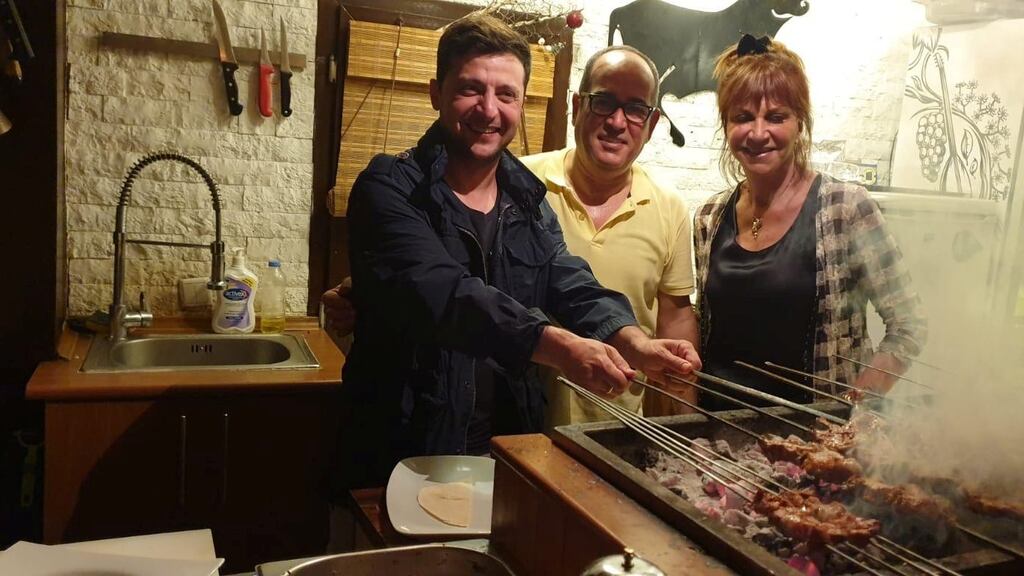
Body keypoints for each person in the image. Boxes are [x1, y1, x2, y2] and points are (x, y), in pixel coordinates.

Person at [330, 13, 701, 489]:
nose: (489, 109)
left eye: (506, 94)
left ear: (522, 103)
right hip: (400, 457)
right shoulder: (389, 186)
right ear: (436, 93)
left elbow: (568, 279)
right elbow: (442, 293)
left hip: (506, 456)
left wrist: (633, 342)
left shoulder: (525, 199)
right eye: (470, 89)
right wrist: (559, 346)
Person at [692, 34, 926, 410]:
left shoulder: (846, 209)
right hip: (718, 430)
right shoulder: (709, 216)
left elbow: (908, 324)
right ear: (726, 125)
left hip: (811, 432)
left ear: (799, 122)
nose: (758, 133)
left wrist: (852, 407)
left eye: (776, 117)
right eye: (743, 117)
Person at [520, 45, 698, 425]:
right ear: (576, 106)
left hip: (618, 432)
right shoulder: (520, 183)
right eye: (603, 102)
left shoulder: (669, 206)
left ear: (651, 125)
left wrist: (688, 422)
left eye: (636, 109)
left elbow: (676, 315)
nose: (617, 122)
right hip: (518, 428)